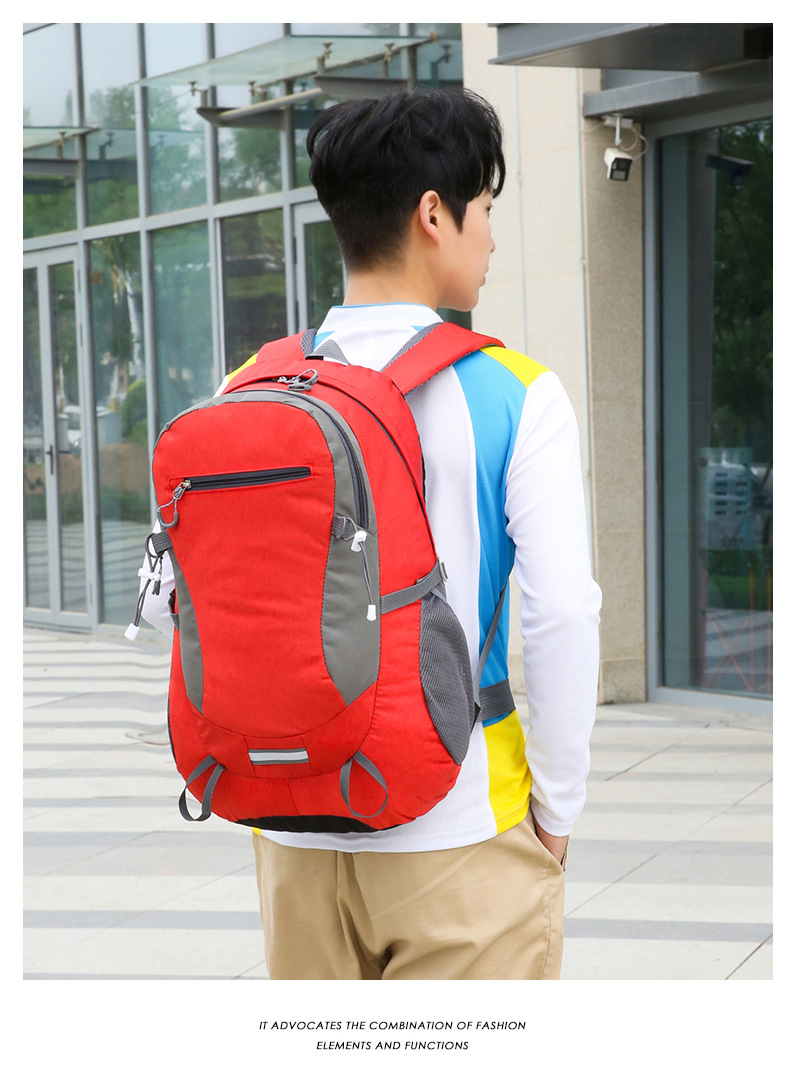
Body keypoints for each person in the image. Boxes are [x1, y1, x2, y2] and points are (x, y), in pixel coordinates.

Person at [139, 87, 601, 980]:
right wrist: (558, 809)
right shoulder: (518, 393)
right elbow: (560, 617)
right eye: (484, 209)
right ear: (434, 215)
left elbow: (175, 603)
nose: (492, 238)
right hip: (461, 823)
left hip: (289, 827)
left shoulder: (250, 384)